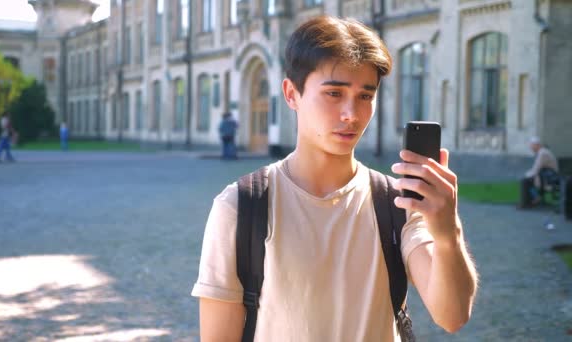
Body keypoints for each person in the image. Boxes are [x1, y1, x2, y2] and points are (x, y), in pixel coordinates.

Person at [192, 16, 477, 341]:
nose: (351, 114)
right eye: (334, 93)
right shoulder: (241, 207)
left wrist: (447, 232)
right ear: (291, 93)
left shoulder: (396, 203)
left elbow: (452, 316)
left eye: (365, 96)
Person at [519, 136, 559, 208]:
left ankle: (528, 203)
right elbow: (536, 168)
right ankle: (533, 199)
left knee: (525, 181)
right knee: (528, 179)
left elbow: (536, 168)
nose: (531, 148)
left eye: (532, 146)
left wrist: (526, 175)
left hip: (549, 178)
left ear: (537, 145)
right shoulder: (543, 152)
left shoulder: (542, 153)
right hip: (547, 176)